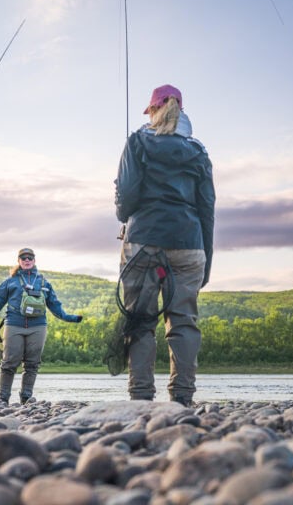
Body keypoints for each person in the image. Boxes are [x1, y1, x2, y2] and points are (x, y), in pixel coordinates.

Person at [114, 84, 215, 406]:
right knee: (183, 322)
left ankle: (141, 398)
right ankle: (182, 398)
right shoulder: (198, 151)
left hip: (143, 241)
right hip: (190, 244)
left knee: (140, 322)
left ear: (153, 111)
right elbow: (207, 207)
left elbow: (126, 198)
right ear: (181, 110)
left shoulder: (137, 142)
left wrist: (122, 214)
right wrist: (206, 260)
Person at [0, 248, 83, 404]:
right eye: (23, 258)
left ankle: (26, 397)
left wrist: (71, 318)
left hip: (38, 326)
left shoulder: (44, 282)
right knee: (9, 362)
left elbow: (56, 307)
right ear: (19, 261)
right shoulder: (10, 282)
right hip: (14, 324)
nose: (27, 260)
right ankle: (2, 398)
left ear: (34, 260)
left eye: (30, 257)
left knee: (32, 363)